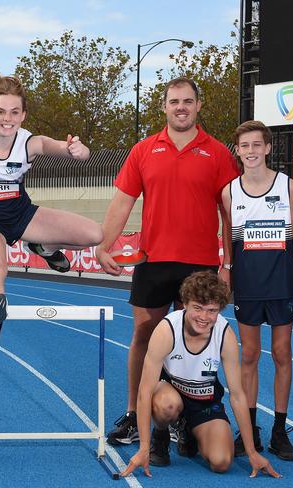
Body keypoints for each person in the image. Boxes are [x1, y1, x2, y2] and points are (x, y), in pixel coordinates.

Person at [96, 78, 239, 444]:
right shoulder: (143, 150)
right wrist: (103, 245)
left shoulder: (219, 154)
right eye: (174, 101)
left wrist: (228, 264)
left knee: (195, 339)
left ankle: (184, 417)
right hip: (153, 260)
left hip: (201, 263)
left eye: (187, 101)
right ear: (164, 107)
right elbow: (122, 202)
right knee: (144, 337)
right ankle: (134, 412)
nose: (181, 107)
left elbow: (230, 213)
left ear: (198, 106)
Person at [0, 56, 103, 346]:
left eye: (15, 112)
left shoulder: (29, 144)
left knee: (94, 234)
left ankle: (45, 247)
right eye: (1, 111)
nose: (7, 119)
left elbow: (61, 148)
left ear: (23, 115)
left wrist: (77, 150)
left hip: (20, 215)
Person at [120, 271, 280, 478]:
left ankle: (188, 430)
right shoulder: (167, 330)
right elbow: (145, 391)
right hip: (170, 394)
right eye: (198, 308)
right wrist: (143, 448)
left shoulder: (225, 335)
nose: (204, 317)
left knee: (222, 463)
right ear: (185, 303)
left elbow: (238, 395)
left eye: (211, 310)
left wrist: (251, 451)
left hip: (204, 401)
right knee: (166, 404)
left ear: (220, 310)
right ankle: (160, 436)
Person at [221, 120, 293, 460]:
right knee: (249, 355)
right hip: (248, 283)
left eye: (257, 145)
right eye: (245, 146)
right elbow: (228, 238)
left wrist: (278, 267)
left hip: (281, 281)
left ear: (268, 148)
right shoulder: (229, 191)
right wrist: (229, 268)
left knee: (282, 354)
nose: (251, 151)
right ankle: (248, 427)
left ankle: (279, 432)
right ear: (237, 151)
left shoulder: (287, 185)